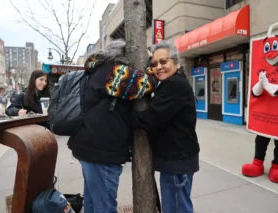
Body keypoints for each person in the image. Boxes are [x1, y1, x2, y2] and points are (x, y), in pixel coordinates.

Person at [67, 39, 157, 213]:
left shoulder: (97, 70)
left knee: (93, 203)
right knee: (105, 207)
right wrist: (149, 62)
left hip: (89, 147)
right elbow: (147, 83)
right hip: (102, 151)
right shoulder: (114, 72)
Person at [133, 40, 200, 213]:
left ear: (176, 62)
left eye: (164, 61)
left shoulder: (174, 85)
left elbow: (150, 119)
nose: (159, 67)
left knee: (176, 208)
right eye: (154, 64)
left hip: (177, 161)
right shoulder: (174, 82)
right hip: (177, 160)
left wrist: (126, 116)